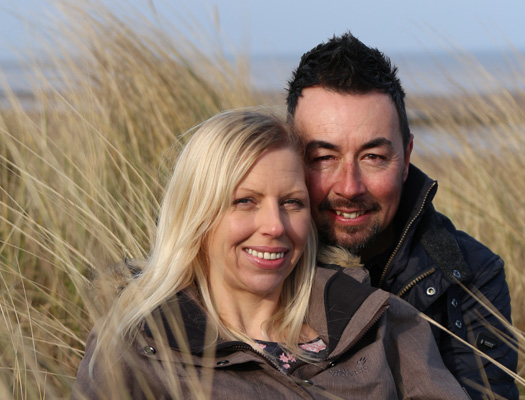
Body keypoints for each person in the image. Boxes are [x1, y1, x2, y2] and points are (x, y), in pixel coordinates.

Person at [71, 109, 468, 399]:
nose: (275, 226)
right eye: (245, 201)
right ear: (198, 215)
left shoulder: (374, 320)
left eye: (292, 203)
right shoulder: (136, 347)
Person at [286, 33, 518, 399]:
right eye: (323, 158)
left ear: (406, 157)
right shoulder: (256, 258)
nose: (349, 187)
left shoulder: (471, 275)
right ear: (290, 159)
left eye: (373, 157)